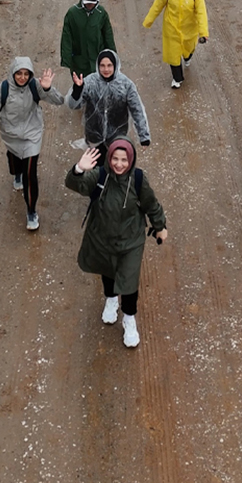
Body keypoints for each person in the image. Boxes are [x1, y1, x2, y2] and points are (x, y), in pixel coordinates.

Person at [65, 138, 166, 349]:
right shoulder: (100, 176)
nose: (119, 164)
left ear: (131, 160)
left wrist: (160, 226)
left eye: (124, 160)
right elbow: (75, 185)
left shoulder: (138, 180)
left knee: (128, 281)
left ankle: (129, 318)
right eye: (115, 159)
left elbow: (151, 204)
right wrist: (78, 169)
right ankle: (111, 300)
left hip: (131, 242)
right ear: (108, 158)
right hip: (102, 238)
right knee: (108, 271)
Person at [0, 57, 67, 230]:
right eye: (19, 73)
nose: (22, 77)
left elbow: (59, 101)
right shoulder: (2, 89)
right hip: (11, 136)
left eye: (26, 74)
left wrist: (47, 89)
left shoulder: (36, 86)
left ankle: (31, 211)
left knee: (30, 174)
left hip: (32, 135)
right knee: (15, 162)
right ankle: (16, 173)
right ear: (13, 73)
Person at [69, 48, 151, 154]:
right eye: (102, 65)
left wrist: (143, 136)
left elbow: (137, 110)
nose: (106, 69)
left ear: (115, 65)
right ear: (98, 66)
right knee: (96, 168)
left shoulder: (126, 85)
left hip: (117, 138)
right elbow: (74, 105)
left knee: (115, 166)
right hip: (94, 137)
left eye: (109, 65)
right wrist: (77, 90)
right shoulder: (89, 82)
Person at [142, 0, 208, 89]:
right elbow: (158, 4)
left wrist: (203, 32)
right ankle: (177, 78)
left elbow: (201, 12)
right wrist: (149, 20)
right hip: (171, 29)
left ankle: (188, 56)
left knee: (188, 48)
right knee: (173, 54)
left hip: (189, 29)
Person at [59, 0, 116, 86]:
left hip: (97, 56)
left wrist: (112, 54)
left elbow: (108, 34)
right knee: (80, 84)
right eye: (87, 2)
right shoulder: (72, 13)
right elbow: (66, 37)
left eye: (93, 2)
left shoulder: (101, 13)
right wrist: (66, 58)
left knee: (99, 84)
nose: (90, 5)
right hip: (79, 59)